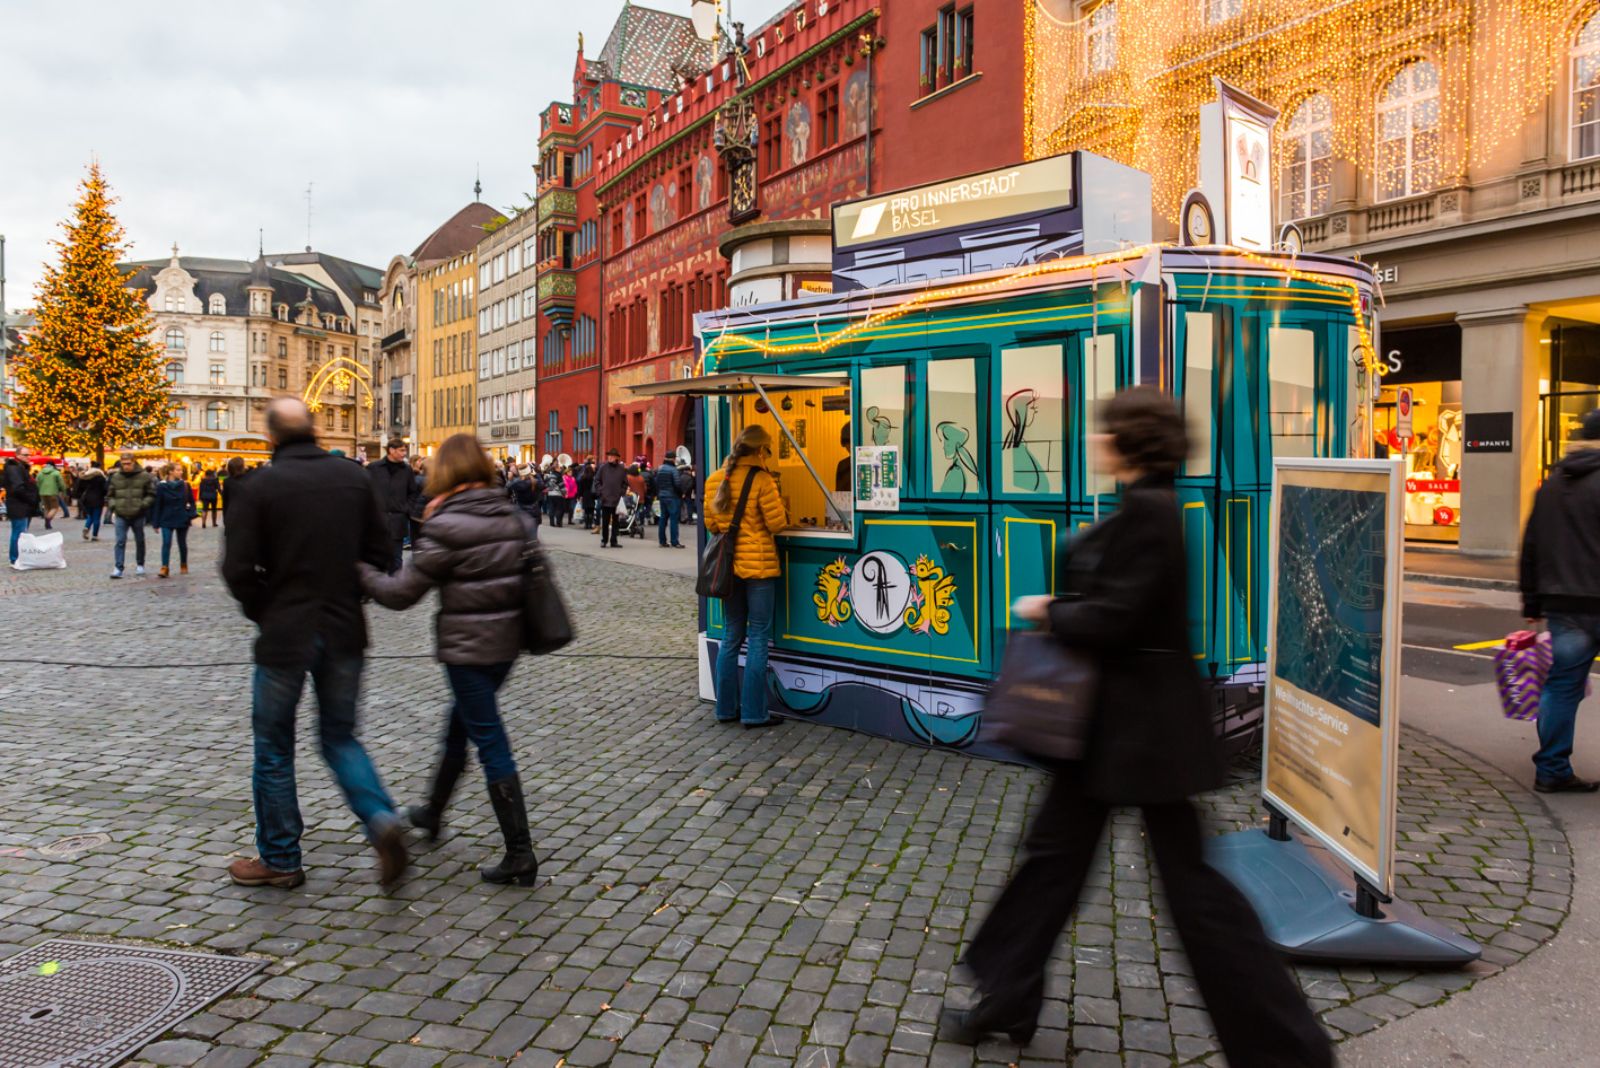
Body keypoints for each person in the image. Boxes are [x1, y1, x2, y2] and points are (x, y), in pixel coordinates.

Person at [944, 388, 1332, 1067]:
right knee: (1053, 867)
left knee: (1191, 895)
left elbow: (1116, 618)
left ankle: (1286, 1047)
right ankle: (1007, 997)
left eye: (1103, 434)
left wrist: (1049, 610)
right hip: (1115, 734)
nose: (1093, 443)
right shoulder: (1147, 509)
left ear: (1127, 444)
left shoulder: (1150, 514)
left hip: (1140, 737)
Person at [221, 397, 407, 890]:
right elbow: (382, 552)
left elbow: (237, 568)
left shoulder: (259, 486)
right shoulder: (353, 479)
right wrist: (351, 595)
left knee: (274, 746)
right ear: (316, 431)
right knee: (340, 737)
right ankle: (381, 818)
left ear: (272, 437)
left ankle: (280, 856)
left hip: (284, 633)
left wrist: (263, 609)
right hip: (344, 627)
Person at [359, 433, 539, 886]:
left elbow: (402, 593)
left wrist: (360, 570)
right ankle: (433, 811)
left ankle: (520, 852)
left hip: (468, 647)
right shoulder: (510, 515)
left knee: (489, 739)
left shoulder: (447, 524)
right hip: (505, 646)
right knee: (460, 724)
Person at [1520, 407, 1600, 793]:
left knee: (1561, 687)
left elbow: (1531, 545)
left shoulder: (1550, 484)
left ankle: (1551, 769)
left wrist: (1532, 603)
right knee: (1562, 686)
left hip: (1563, 604)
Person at [702, 425, 788, 728]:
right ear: (760, 450)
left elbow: (711, 524)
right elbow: (777, 524)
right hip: (758, 568)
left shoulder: (715, 479)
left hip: (728, 569)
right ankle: (754, 712)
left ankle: (725, 709)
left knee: (730, 635)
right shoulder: (762, 479)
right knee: (759, 635)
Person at [369, 437, 418, 572]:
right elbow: (366, 490)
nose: (404, 454)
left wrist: (406, 509)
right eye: (401, 450)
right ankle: (378, 587)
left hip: (398, 520)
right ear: (391, 450)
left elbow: (413, 492)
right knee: (376, 557)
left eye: (405, 451)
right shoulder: (374, 468)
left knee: (396, 558)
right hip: (378, 521)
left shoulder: (407, 470)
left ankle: (395, 588)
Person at [107, 452, 155, 579]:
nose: (126, 466)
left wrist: (143, 505)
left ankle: (140, 564)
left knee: (139, 540)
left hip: (138, 514)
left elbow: (151, 493)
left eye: (128, 463)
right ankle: (118, 567)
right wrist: (114, 506)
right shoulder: (116, 477)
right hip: (121, 513)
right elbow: (110, 495)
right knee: (120, 541)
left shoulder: (144, 476)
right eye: (124, 464)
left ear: (134, 462)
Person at [149, 463, 197, 577]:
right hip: (167, 518)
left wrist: (189, 514)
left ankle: (183, 564)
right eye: (178, 470)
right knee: (166, 542)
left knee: (182, 543)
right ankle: (164, 567)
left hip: (182, 517)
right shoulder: (161, 486)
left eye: (181, 470)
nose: (181, 472)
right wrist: (155, 523)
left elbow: (192, 501)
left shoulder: (185, 485)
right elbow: (158, 505)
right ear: (170, 472)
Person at [2, 446, 39, 565]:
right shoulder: (14, 467)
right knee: (19, 532)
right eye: (25, 455)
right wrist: (31, 498)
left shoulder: (20, 467)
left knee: (21, 533)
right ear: (17, 455)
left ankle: (19, 556)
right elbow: (18, 487)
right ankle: (15, 558)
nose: (28, 457)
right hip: (18, 504)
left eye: (29, 455)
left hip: (22, 504)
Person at [595, 448, 628, 548]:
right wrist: (601, 492)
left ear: (617, 458)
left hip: (617, 499)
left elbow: (625, 483)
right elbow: (596, 481)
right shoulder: (603, 468)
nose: (610, 457)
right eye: (609, 456)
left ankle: (614, 541)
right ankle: (604, 540)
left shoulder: (622, 469)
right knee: (605, 522)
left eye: (612, 456)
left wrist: (621, 492)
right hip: (605, 499)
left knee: (615, 522)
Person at [509, 464, 544, 539]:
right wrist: (537, 475)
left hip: (521, 510)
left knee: (522, 535)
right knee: (533, 536)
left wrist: (511, 478)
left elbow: (508, 487)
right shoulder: (536, 482)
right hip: (534, 510)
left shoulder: (517, 483)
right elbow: (542, 485)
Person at [76, 465, 108, 541]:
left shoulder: (86, 477)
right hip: (98, 499)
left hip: (87, 499)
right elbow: (105, 489)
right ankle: (95, 535)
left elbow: (79, 488)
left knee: (90, 515)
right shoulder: (101, 478)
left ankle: (86, 527)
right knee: (96, 517)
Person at [35, 461, 65, 530]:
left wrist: (40, 489)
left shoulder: (40, 473)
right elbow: (61, 483)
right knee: (55, 508)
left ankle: (47, 521)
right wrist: (63, 490)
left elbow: (37, 482)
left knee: (47, 508)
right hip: (53, 492)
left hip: (42, 493)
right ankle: (48, 520)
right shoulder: (56, 473)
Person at [577, 458, 597, 530]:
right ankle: (590, 524)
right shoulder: (593, 478)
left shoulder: (583, 478)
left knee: (586, 510)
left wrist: (579, 495)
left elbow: (580, 488)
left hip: (585, 495)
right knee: (591, 510)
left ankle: (586, 524)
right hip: (592, 495)